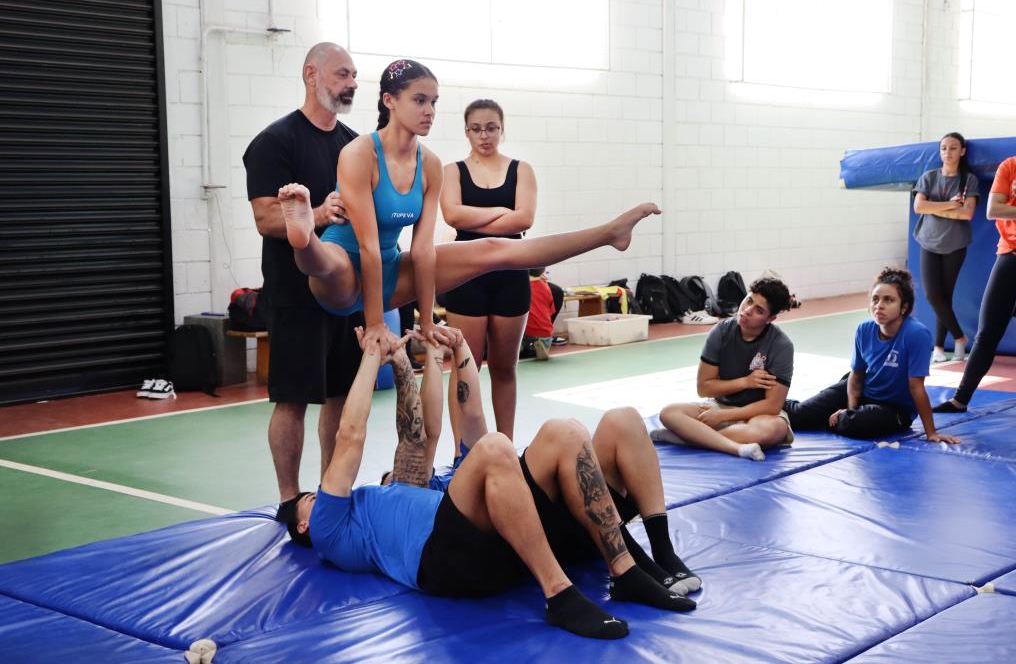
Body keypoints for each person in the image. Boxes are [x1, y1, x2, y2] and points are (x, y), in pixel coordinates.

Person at [278, 330, 694, 641]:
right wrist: (369, 356)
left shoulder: (410, 491)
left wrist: (449, 355)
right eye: (311, 498)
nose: (324, 493)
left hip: (484, 536)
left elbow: (427, 432)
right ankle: (560, 594)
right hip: (441, 560)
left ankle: (627, 567)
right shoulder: (330, 530)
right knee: (497, 449)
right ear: (304, 526)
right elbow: (349, 436)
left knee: (564, 431)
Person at [276, 58, 661, 359]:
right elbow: (368, 247)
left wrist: (426, 321)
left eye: (434, 102)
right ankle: (304, 235)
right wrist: (376, 322)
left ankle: (609, 233)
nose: (429, 110)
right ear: (389, 101)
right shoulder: (359, 153)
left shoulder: (429, 164)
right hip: (344, 268)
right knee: (331, 261)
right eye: (419, 100)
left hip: (391, 269)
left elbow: (424, 249)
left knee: (497, 249)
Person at [429, 332, 703, 597]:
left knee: (625, 419)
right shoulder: (435, 491)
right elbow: (423, 435)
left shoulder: (465, 464)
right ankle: (630, 558)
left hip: (579, 515)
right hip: (534, 530)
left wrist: (458, 346)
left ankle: (662, 547)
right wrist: (430, 357)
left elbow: (471, 412)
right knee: (561, 434)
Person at [242, 42, 361, 503]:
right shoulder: (275, 143)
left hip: (345, 292)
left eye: (353, 76)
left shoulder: (354, 145)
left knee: (339, 397)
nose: (351, 83)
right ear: (311, 74)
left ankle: (330, 493)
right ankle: (291, 500)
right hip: (295, 295)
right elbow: (266, 219)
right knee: (292, 399)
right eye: (341, 74)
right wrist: (317, 214)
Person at [439, 99, 536, 439]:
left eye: (491, 127)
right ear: (466, 131)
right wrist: (501, 212)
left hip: (511, 274)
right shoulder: (452, 171)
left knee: (505, 368)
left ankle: (505, 445)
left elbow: (525, 218)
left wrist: (476, 216)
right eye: (477, 128)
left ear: (502, 128)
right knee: (466, 367)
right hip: (467, 275)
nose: (485, 135)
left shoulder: (521, 170)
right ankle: (462, 451)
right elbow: (452, 216)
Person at [785, 268, 959, 443]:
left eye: (888, 300)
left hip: (894, 409)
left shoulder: (916, 334)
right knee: (799, 416)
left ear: (904, 307)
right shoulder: (864, 329)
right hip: (863, 393)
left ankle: (839, 418)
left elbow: (916, 387)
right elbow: (857, 375)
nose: (879, 305)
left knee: (857, 424)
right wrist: (850, 409)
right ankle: (762, 400)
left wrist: (931, 433)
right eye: (875, 299)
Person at [656, 277, 796, 461]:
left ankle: (686, 440)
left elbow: (772, 405)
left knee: (772, 430)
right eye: (749, 300)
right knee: (669, 413)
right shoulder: (720, 332)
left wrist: (723, 416)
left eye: (759, 310)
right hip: (720, 405)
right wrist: (745, 382)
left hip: (758, 414)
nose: (747, 310)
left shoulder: (781, 345)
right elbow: (704, 388)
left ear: (770, 319)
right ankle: (736, 447)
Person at [934, 153, 1016, 414]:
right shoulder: (1011, 165)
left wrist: (1013, 208)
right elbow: (993, 209)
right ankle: (960, 400)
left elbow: (1004, 206)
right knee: (987, 333)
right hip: (1010, 254)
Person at [913, 132, 979, 363]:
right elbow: (919, 207)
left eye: (952, 148)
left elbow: (968, 212)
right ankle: (960, 338)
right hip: (929, 241)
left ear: (962, 151)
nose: (947, 152)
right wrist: (950, 206)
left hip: (955, 244)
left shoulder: (968, 180)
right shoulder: (929, 177)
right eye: (943, 148)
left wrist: (936, 208)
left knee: (945, 296)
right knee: (932, 294)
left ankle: (939, 347)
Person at [521, 267, 556, 361]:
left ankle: (521, 346)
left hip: (526, 331)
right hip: (545, 332)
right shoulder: (546, 287)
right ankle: (544, 344)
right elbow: (551, 311)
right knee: (544, 328)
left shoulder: (520, 287)